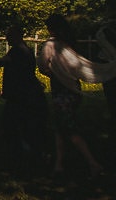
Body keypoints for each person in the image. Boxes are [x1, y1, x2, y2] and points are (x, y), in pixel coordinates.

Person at [38, 13, 116, 178]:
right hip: (73, 90)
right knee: (60, 129)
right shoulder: (69, 43)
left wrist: (54, 73)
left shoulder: (51, 46)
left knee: (70, 130)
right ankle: (58, 165)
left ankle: (93, 163)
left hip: (61, 93)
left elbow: (42, 66)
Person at [0, 24, 47, 169]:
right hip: (23, 94)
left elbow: (0, 63)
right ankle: (28, 154)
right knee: (20, 125)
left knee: (12, 125)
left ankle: (22, 155)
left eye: (9, 35)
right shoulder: (25, 50)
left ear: (16, 36)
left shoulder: (18, 51)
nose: (6, 38)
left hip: (21, 96)